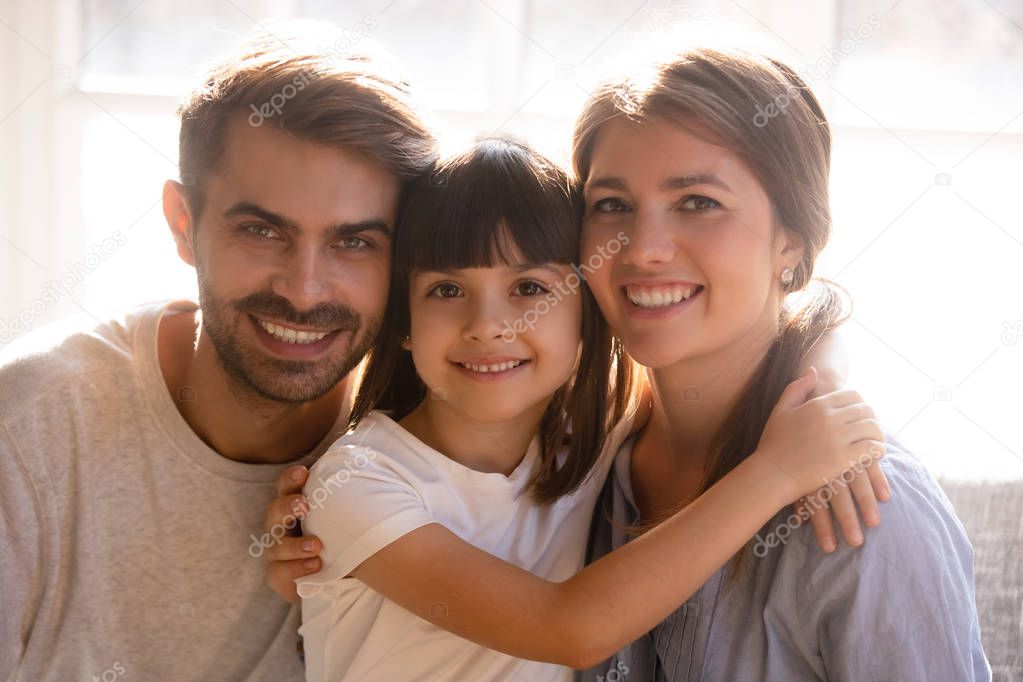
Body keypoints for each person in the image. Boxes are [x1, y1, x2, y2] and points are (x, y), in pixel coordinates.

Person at [294, 135, 886, 682]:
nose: (488, 327)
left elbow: (811, 310)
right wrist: (778, 472)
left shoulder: (593, 432)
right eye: (446, 291)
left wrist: (824, 381)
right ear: (404, 322)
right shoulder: (359, 482)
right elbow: (569, 629)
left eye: (529, 288)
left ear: (587, 309)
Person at [0, 32, 435, 680]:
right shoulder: (28, 431)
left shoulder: (428, 446)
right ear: (182, 222)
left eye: (353, 242)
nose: (303, 290)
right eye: (261, 230)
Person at [571, 47, 990, 680]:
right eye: (610, 205)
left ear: (790, 241)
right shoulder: (574, 473)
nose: (644, 249)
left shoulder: (867, 509)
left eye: (698, 201)